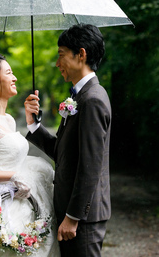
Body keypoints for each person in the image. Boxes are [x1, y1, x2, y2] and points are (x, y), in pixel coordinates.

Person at [24, 24, 112, 256]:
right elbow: (66, 154)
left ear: (81, 54)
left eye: (61, 55)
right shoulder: (80, 96)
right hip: (72, 214)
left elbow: (90, 166)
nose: (57, 63)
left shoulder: (92, 99)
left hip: (82, 217)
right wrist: (34, 125)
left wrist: (73, 217)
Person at [0, 53, 60, 257]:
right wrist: (12, 176)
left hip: (23, 202)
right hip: (0, 206)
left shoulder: (7, 119)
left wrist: (30, 116)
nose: (14, 77)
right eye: (8, 73)